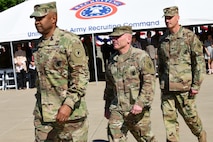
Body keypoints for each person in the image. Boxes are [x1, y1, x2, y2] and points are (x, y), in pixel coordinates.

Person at [30, 1, 89, 142]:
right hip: (44, 116)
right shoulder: (38, 45)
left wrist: (68, 104)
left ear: (53, 18)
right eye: (35, 19)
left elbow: (81, 76)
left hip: (70, 116)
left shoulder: (69, 41)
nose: (37, 22)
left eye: (40, 18)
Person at [158, 6, 207, 142]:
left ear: (178, 17)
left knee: (191, 119)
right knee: (169, 123)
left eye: (170, 18)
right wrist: (162, 82)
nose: (167, 21)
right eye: (166, 18)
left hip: (185, 88)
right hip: (167, 89)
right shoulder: (163, 40)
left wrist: (196, 85)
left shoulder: (189, 37)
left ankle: (201, 134)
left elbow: (199, 63)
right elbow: (161, 64)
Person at [104, 26, 157, 142]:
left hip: (136, 108)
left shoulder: (141, 57)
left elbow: (149, 83)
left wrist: (140, 103)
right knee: (114, 137)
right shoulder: (112, 60)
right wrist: (107, 106)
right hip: (117, 108)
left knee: (146, 138)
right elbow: (109, 86)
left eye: (118, 37)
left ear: (128, 39)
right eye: (113, 37)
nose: (114, 40)